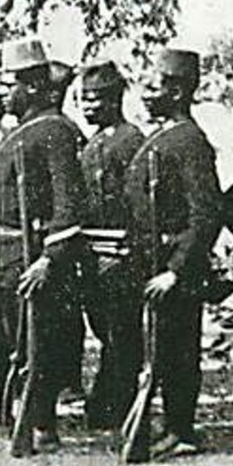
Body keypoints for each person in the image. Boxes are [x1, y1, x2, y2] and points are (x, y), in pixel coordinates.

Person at [0, 38, 89, 455]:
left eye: (10, 85)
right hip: (8, 250)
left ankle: (42, 422)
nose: (5, 94)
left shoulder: (55, 131)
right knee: (16, 339)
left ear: (31, 86)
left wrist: (50, 259)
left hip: (35, 256)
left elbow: (69, 204)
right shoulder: (21, 132)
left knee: (39, 342)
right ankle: (34, 417)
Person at [125, 48, 224, 458]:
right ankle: (170, 425)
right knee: (159, 348)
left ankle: (181, 429)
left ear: (179, 91)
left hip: (171, 266)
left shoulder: (189, 141)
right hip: (152, 261)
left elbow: (207, 213)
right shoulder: (166, 134)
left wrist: (178, 271)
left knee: (180, 349)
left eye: (156, 85)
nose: (147, 93)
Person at [77, 60, 146, 431]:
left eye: (97, 99)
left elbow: (137, 205)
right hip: (94, 253)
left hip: (121, 252)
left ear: (116, 98)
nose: (89, 106)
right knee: (104, 328)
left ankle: (118, 405)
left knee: (122, 332)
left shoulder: (130, 140)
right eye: (84, 100)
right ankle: (108, 402)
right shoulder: (93, 145)